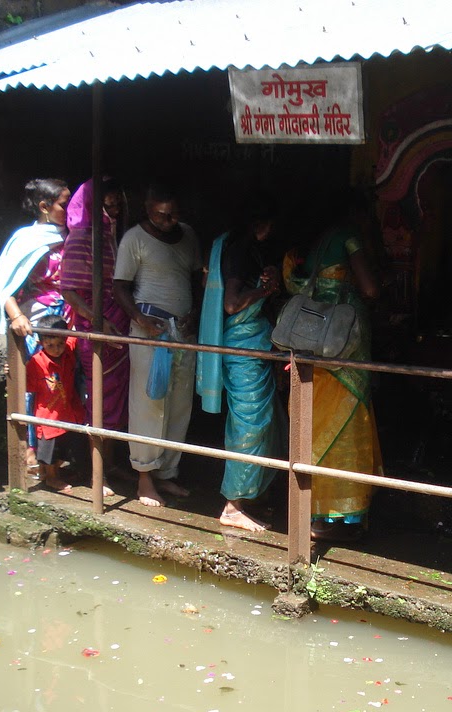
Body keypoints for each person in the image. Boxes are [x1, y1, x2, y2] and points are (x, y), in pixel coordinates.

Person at [282, 193, 382, 542]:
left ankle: (314, 507)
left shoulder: (319, 241)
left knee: (316, 420)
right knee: (349, 421)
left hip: (316, 340)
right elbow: (369, 288)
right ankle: (337, 515)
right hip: (345, 342)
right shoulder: (350, 236)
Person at [114, 183, 202, 507]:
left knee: (180, 403)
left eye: (173, 214)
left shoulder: (188, 235)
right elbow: (119, 287)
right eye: (161, 215)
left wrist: (195, 313)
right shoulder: (134, 239)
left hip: (184, 333)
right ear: (149, 211)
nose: (168, 220)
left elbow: (195, 278)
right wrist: (139, 318)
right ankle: (144, 478)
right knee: (149, 402)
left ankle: (167, 474)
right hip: (150, 330)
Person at [197, 197, 282, 532]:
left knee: (263, 422)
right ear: (260, 224)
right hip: (243, 349)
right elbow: (233, 304)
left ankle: (251, 496)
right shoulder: (241, 253)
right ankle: (233, 506)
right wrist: (263, 292)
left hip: (252, 346)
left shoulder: (240, 249)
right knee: (250, 426)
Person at [0, 178, 73, 472]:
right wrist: (16, 316)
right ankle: (31, 451)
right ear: (44, 207)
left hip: (69, 319)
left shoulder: (74, 235)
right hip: (37, 320)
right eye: (64, 203)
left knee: (67, 386)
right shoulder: (26, 239)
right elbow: (4, 285)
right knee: (37, 387)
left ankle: (59, 452)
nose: (70, 209)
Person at [59, 179, 131, 474]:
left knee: (118, 400)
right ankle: (98, 474)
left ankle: (111, 464)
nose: (113, 211)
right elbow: (69, 291)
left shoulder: (113, 234)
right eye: (107, 205)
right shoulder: (80, 238)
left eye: (117, 204)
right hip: (97, 327)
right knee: (99, 399)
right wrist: (98, 320)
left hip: (119, 326)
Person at [25, 318, 87, 493]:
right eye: (50, 345)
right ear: (41, 342)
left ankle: (52, 473)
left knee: (68, 444)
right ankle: (51, 477)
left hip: (69, 410)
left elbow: (75, 335)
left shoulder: (68, 352)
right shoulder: (37, 363)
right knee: (49, 449)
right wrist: (12, 370)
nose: (56, 349)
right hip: (48, 415)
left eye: (60, 343)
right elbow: (26, 385)